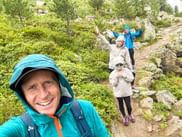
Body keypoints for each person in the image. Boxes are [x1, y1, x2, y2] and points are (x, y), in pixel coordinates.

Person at [0, 54, 109, 137]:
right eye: (32, 87)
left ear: (59, 85)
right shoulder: (21, 129)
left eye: (48, 83)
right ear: (23, 95)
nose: (43, 95)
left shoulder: (85, 110)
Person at [113, 24, 143, 89]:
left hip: (130, 48)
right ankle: (125, 66)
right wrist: (113, 31)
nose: (126, 30)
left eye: (127, 29)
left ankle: (132, 66)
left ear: (129, 29)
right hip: (125, 49)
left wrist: (140, 29)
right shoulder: (123, 35)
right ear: (124, 30)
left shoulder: (131, 34)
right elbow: (117, 36)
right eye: (125, 29)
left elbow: (138, 34)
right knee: (125, 58)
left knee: (131, 58)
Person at [109, 57, 135, 126]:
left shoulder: (127, 71)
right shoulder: (112, 74)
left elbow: (131, 79)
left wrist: (124, 76)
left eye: (121, 64)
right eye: (117, 65)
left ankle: (129, 114)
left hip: (127, 92)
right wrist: (117, 78)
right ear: (115, 65)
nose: (119, 66)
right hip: (118, 93)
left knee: (128, 105)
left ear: (123, 64)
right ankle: (124, 116)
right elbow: (112, 84)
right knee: (121, 105)